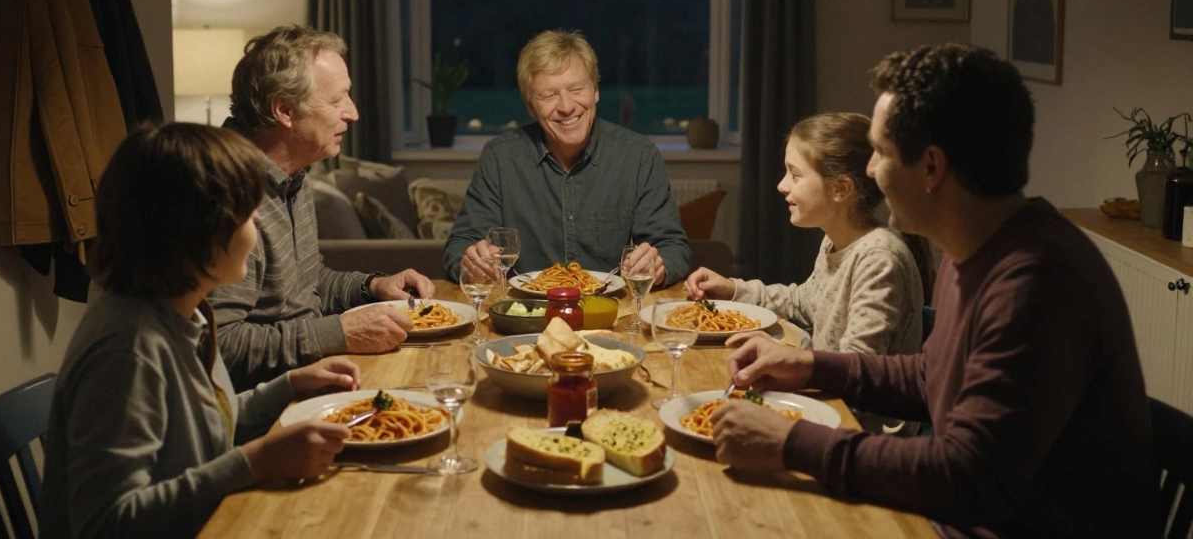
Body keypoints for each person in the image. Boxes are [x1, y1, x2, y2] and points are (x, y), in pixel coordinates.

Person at [711, 44, 1158, 538]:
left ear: (931, 167)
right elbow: (934, 377)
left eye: (880, 152)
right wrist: (812, 366)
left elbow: (970, 477)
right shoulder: (974, 251)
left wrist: (792, 442)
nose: (872, 172)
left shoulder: (1035, 281)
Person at [41, 123, 361, 539]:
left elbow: (206, 428)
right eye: (246, 212)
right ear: (198, 232)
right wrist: (255, 461)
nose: (258, 223)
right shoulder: (128, 348)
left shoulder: (182, 311)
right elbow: (105, 523)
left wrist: (289, 386)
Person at [208, 26, 432, 391]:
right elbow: (219, 347)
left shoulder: (293, 176)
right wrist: (337, 332)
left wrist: (372, 287)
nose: (354, 113)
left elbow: (306, 286)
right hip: (270, 406)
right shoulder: (226, 192)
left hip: (314, 375)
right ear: (284, 109)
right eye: (336, 100)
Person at [685, 113, 931, 432]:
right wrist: (732, 289)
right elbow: (804, 302)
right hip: (826, 403)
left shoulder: (878, 258)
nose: (781, 185)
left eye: (795, 175)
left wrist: (789, 358)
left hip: (857, 432)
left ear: (841, 189)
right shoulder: (836, 240)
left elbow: (857, 370)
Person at [445, 29, 690, 287]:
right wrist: (472, 262)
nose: (566, 106)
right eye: (548, 95)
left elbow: (673, 248)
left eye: (576, 89)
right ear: (530, 106)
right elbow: (460, 246)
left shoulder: (639, 157)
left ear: (595, 90)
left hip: (611, 315)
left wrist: (657, 265)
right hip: (525, 316)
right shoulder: (500, 158)